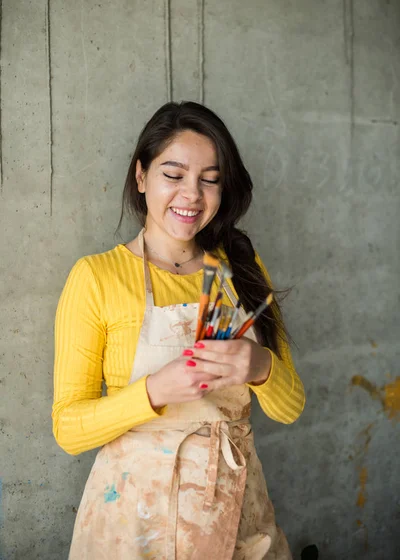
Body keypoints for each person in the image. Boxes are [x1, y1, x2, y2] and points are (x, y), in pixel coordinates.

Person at [52, 101, 305, 559]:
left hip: (237, 515)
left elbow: (292, 408)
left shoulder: (242, 270)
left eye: (210, 179)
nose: (192, 194)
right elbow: (68, 428)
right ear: (141, 176)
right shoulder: (97, 277)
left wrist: (261, 365)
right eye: (173, 174)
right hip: (133, 524)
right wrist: (154, 390)